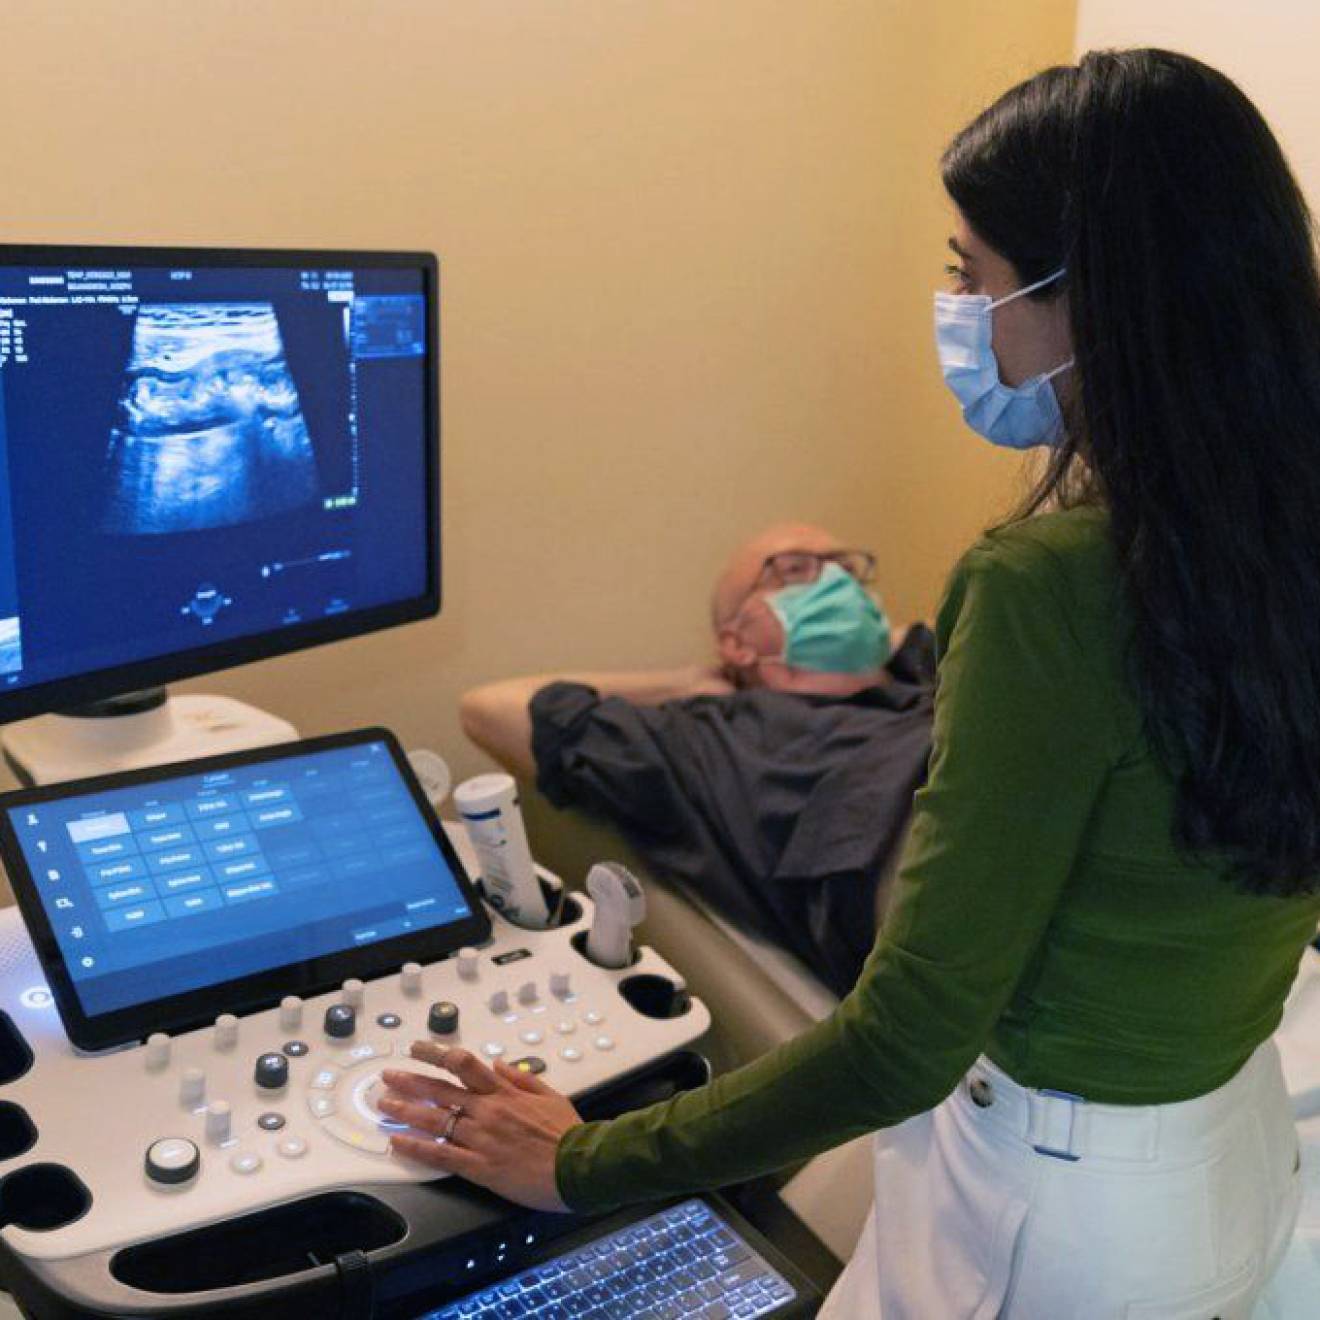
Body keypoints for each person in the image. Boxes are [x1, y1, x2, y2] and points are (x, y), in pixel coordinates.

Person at [380, 49, 1320, 1316]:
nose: (961, 309)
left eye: (971, 274)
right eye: (787, 574)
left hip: (1069, 1215)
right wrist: (705, 682)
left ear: (1086, 300)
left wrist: (582, 1164)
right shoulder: (1274, 543)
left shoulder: (1048, 588)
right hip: (1231, 1156)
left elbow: (907, 1035)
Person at [459, 521, 935, 994]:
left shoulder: (925, 676)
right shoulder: (705, 738)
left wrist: (883, 647)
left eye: (847, 571)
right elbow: (488, 709)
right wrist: (685, 683)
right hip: (923, 857)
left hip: (979, 785)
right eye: (795, 571)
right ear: (735, 641)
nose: (838, 586)